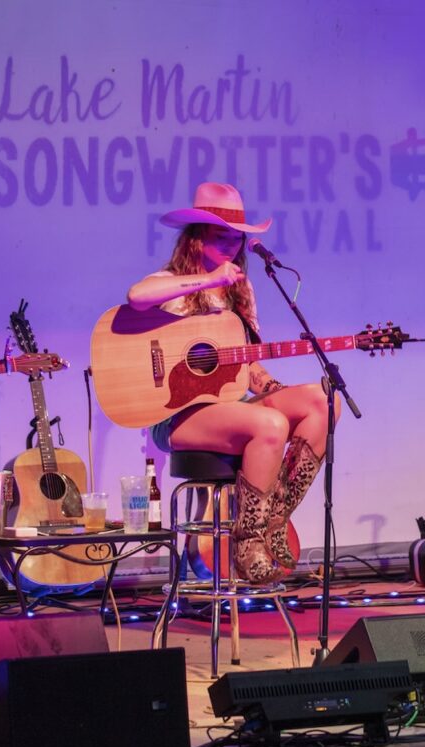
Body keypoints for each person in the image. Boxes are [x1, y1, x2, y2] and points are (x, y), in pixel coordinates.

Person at [127, 182, 333, 585]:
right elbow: (137, 295)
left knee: (323, 401)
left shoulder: (241, 289)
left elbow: (247, 365)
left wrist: (276, 391)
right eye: (222, 238)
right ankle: (247, 540)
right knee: (270, 425)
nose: (233, 248)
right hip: (179, 416)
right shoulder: (171, 282)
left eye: (237, 240)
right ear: (196, 239)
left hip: (231, 407)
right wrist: (206, 282)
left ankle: (273, 520)